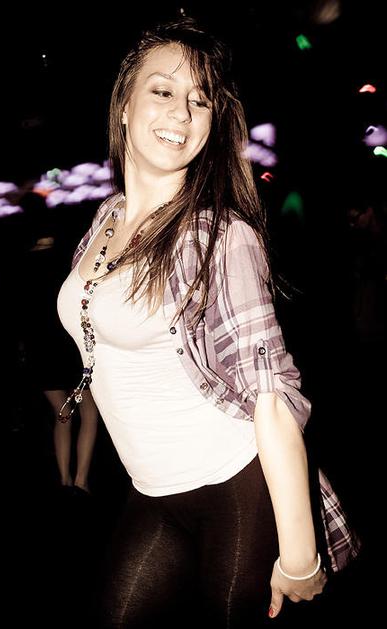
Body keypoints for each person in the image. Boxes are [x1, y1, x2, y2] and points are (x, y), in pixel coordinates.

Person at [57, 18, 359, 627]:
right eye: (163, 90)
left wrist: (300, 556)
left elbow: (271, 397)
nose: (182, 112)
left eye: (200, 100)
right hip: (150, 489)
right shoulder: (106, 218)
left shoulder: (217, 236)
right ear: (124, 106)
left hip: (236, 486)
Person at [20, 190, 99, 494]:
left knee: (62, 415)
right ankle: (81, 479)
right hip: (72, 347)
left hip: (41, 349)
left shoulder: (21, 266)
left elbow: (19, 316)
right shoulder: (70, 262)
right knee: (89, 411)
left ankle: (64, 479)